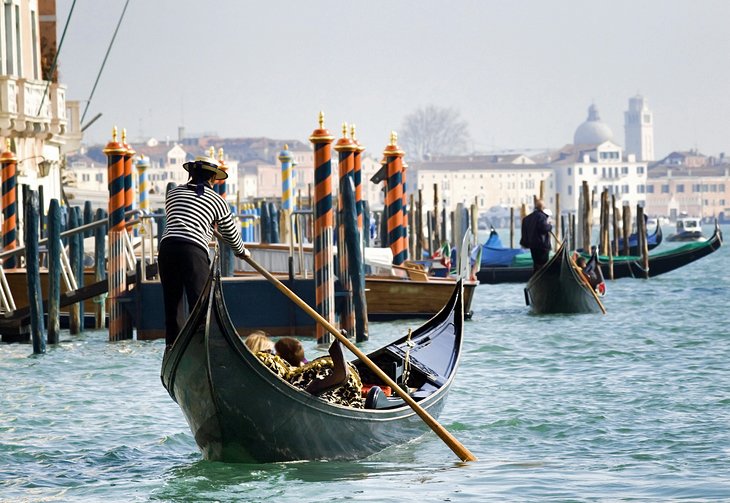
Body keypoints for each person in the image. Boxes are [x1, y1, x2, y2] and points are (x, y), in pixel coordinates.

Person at [158, 155, 250, 349]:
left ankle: (172, 344)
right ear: (212, 179)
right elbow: (230, 232)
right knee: (200, 301)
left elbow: (179, 217)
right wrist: (241, 252)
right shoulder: (217, 201)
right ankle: (201, 344)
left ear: (191, 174)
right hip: (192, 250)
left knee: (172, 301)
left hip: (167, 248)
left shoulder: (173, 194)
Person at [520, 199, 553, 273]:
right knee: (543, 265)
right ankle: (542, 279)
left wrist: (525, 243)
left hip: (532, 245)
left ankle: (536, 277)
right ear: (542, 207)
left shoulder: (527, 218)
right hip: (542, 246)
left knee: (536, 264)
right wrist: (550, 226)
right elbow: (544, 228)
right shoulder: (542, 216)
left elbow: (524, 233)